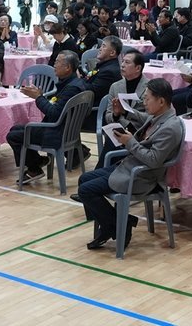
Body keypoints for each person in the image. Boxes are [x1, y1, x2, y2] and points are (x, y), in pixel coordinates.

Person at [78, 78, 183, 251]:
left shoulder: (171, 128)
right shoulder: (160, 116)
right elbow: (143, 117)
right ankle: (113, 224)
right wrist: (123, 113)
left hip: (142, 176)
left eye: (147, 98)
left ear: (161, 101)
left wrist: (130, 142)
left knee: (85, 190)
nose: (144, 102)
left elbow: (154, 160)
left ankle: (118, 225)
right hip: (129, 166)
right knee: (84, 179)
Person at [7, 50, 88, 182]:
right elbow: (57, 107)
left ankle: (34, 169)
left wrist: (38, 98)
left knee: (13, 136)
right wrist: (41, 97)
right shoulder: (75, 83)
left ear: (68, 67)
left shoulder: (71, 89)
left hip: (56, 133)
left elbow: (54, 113)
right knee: (15, 129)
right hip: (65, 130)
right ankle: (37, 161)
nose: (54, 65)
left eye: (57, 62)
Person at [95, 50, 151, 163]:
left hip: (141, 132)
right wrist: (115, 115)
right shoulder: (115, 86)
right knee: (114, 139)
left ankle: (106, 170)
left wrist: (126, 112)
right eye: (122, 61)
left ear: (138, 68)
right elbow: (108, 116)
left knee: (113, 143)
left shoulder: (149, 88)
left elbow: (150, 119)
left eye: (127, 62)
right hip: (120, 128)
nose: (122, 65)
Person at [82, 36, 123, 135]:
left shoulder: (109, 71)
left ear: (112, 53)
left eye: (104, 46)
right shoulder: (105, 66)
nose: (100, 49)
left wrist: (77, 82)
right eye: (101, 46)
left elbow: (91, 91)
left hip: (93, 113)